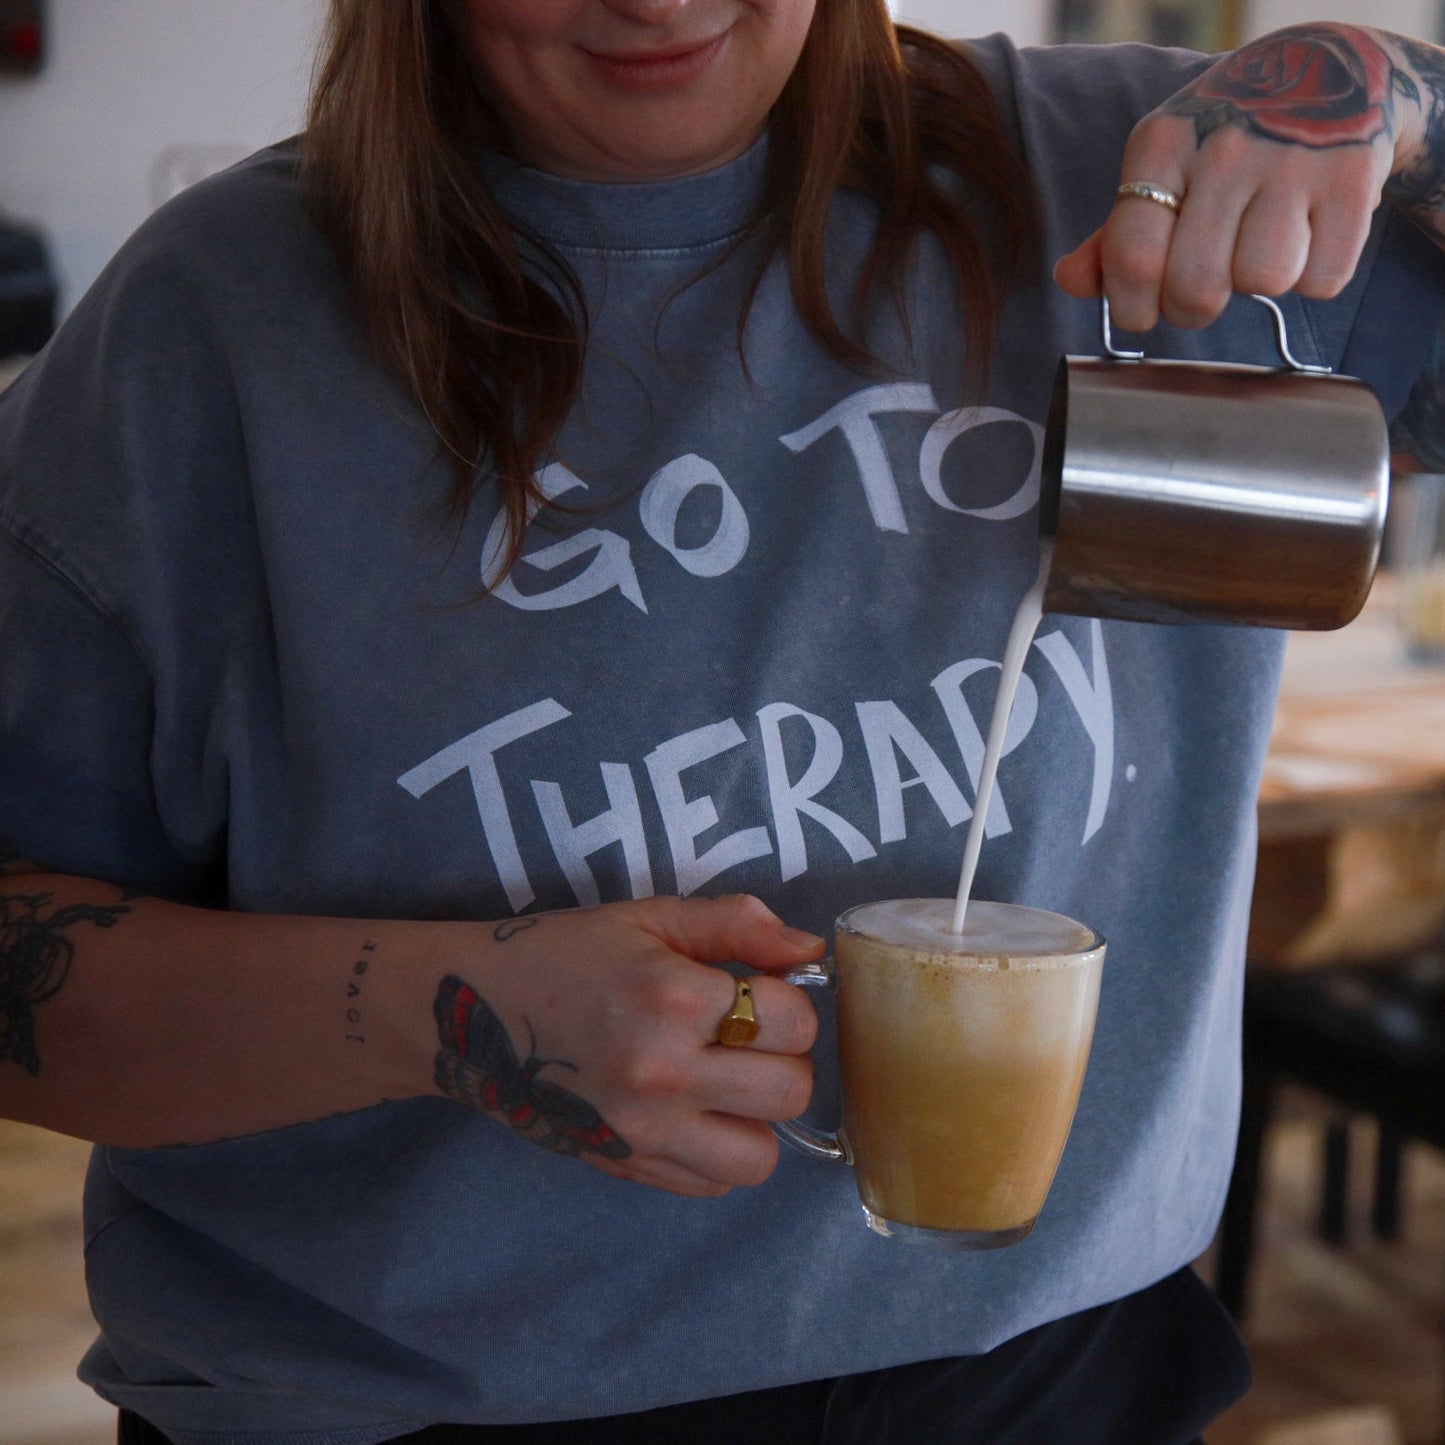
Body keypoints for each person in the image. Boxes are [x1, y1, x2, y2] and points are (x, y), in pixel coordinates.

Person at [2, 3, 1444, 1441]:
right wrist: (437, 1010)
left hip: (1055, 1376)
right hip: (413, 1407)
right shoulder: (207, 335)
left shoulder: (1131, 178)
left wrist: (1392, 94)